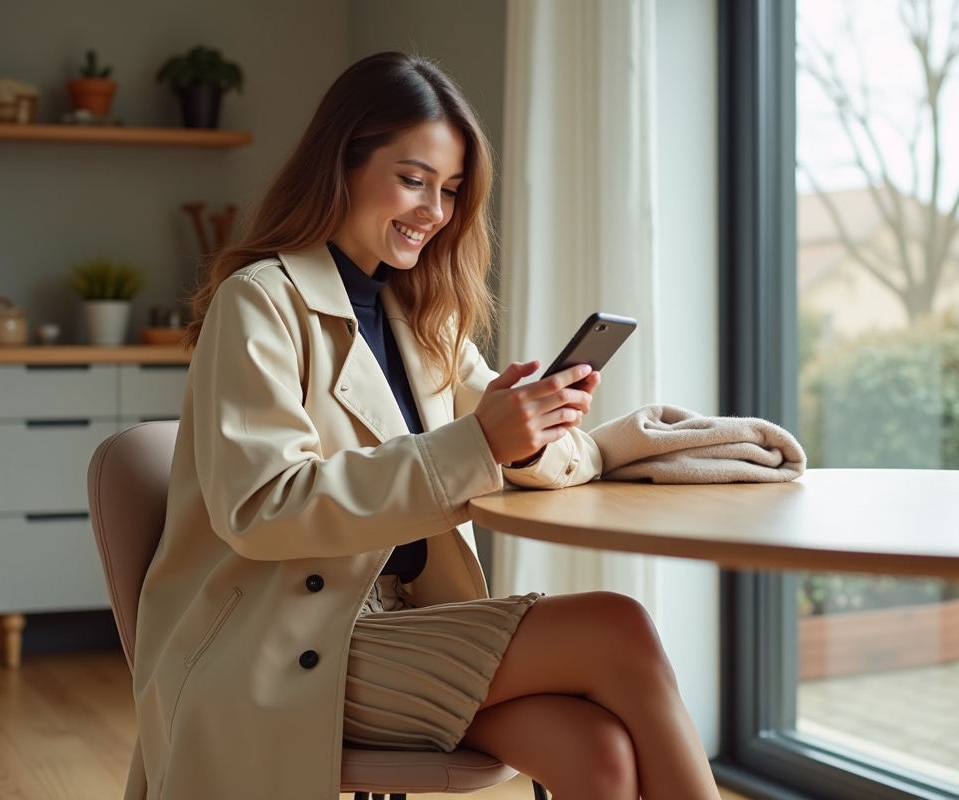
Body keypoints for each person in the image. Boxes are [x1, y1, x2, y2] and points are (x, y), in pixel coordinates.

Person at [129, 51, 719, 800]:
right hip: (292, 642)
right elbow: (263, 508)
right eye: (413, 179)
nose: (434, 212)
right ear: (340, 164)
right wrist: (480, 442)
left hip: (404, 624)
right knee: (620, 627)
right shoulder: (261, 301)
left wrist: (532, 427)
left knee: (596, 751)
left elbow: (507, 448)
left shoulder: (422, 320)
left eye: (450, 190)